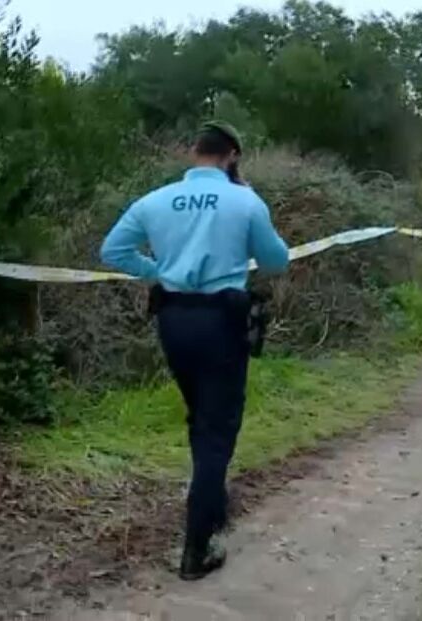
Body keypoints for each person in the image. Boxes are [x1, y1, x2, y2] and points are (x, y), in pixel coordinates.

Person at [100, 121, 290, 579]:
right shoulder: (245, 200)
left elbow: (113, 250)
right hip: (221, 320)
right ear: (232, 157)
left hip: (173, 319)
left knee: (199, 416)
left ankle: (213, 505)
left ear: (194, 152)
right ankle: (196, 547)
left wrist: (159, 269)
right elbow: (276, 261)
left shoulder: (155, 200)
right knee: (217, 429)